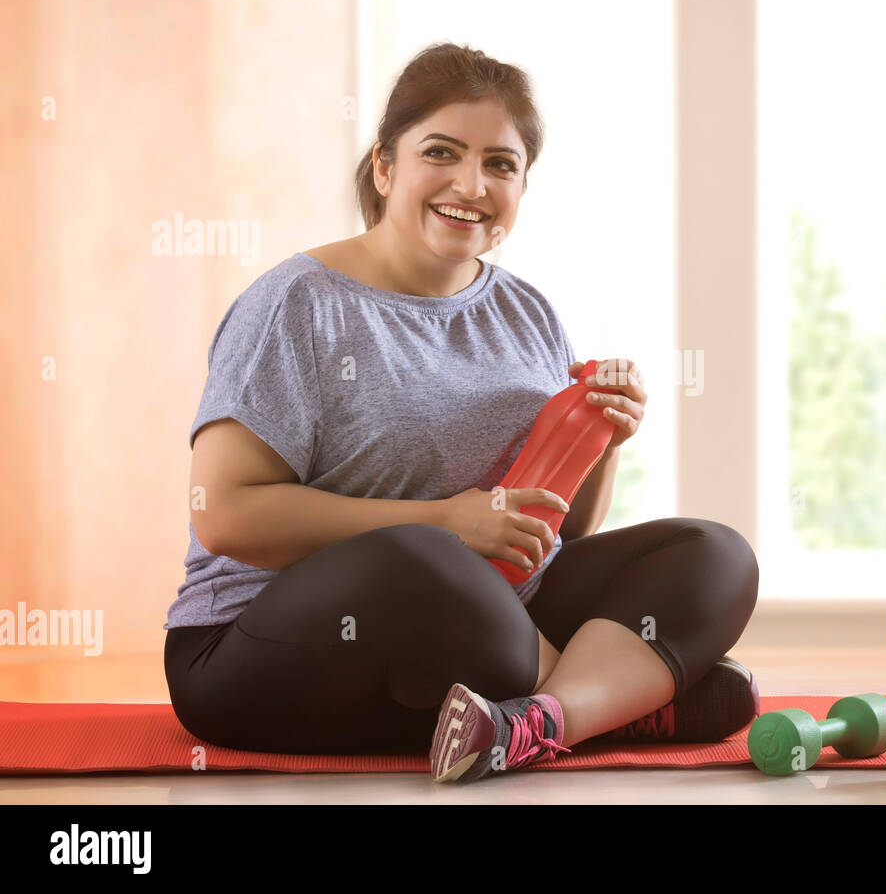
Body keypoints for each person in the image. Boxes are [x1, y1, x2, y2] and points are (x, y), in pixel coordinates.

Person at [163, 42, 760, 784]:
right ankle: (618, 698)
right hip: (253, 650)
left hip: (490, 619)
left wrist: (603, 440)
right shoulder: (297, 305)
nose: (470, 185)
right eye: (441, 152)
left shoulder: (525, 310)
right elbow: (223, 514)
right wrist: (446, 521)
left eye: (501, 165)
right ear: (386, 167)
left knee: (713, 553)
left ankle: (536, 721)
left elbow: (560, 534)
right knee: (430, 565)